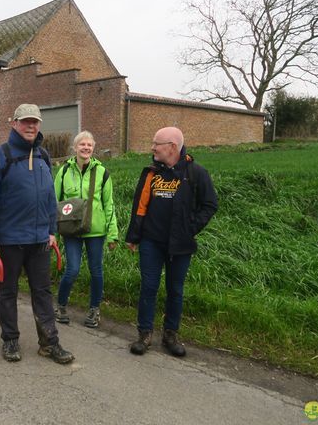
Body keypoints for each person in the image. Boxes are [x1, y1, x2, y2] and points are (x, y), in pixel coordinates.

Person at [0, 103, 74, 364]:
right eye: (25, 121)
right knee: (8, 291)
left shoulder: (44, 156)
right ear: (14, 123)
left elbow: (49, 197)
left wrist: (52, 230)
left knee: (42, 292)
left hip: (39, 241)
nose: (31, 126)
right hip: (9, 241)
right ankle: (10, 340)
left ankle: (49, 342)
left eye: (35, 122)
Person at [125, 126, 217, 357]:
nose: (152, 148)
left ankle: (170, 335)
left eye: (157, 143)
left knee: (175, 290)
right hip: (151, 242)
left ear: (172, 147)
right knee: (148, 287)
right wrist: (134, 236)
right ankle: (144, 334)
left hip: (180, 245)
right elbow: (139, 206)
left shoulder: (196, 173)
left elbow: (210, 205)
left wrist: (190, 228)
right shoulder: (150, 173)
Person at [53, 131, 119, 329]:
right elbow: (53, 202)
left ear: (93, 148)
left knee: (96, 271)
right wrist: (51, 232)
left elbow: (109, 204)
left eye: (89, 145)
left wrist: (112, 234)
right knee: (72, 269)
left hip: (95, 231)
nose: (86, 148)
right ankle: (61, 306)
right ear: (75, 148)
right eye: (82, 144)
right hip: (71, 228)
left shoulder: (102, 173)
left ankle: (94, 310)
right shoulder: (64, 171)